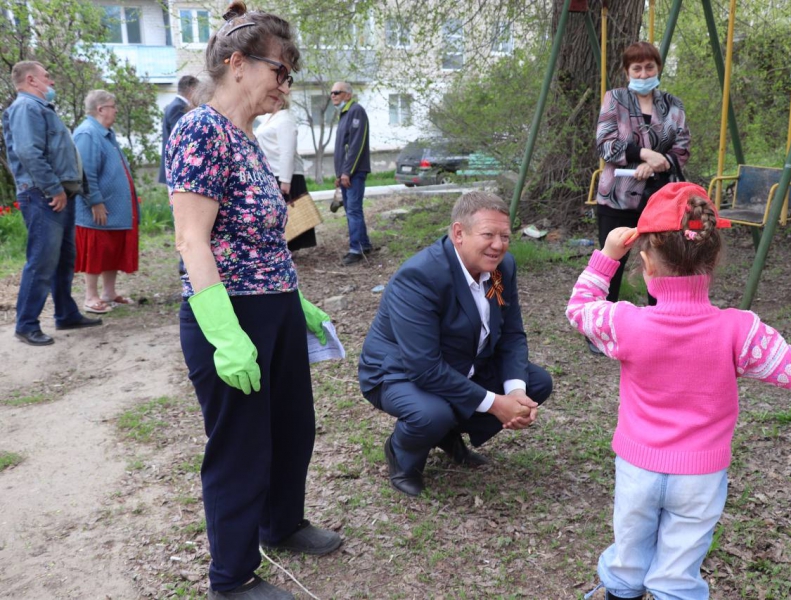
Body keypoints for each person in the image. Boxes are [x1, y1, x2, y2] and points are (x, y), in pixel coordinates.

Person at [565, 182, 791, 600]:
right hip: (700, 478)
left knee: (629, 554)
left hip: (637, 469)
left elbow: (579, 308)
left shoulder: (625, 323)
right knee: (677, 573)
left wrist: (607, 256)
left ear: (647, 263)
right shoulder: (739, 329)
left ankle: (619, 591)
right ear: (714, 259)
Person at [166, 3, 341, 598]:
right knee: (240, 447)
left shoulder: (245, 139)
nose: (285, 87)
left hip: (275, 307)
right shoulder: (200, 130)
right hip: (230, 314)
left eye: (290, 76)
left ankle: (281, 523)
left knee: (293, 427)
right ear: (237, 63)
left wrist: (297, 301)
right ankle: (232, 577)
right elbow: (192, 240)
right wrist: (225, 333)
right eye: (280, 72)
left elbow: (263, 238)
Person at [358, 191, 554, 497]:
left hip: (460, 364)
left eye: (505, 236)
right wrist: (496, 404)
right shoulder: (419, 277)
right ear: (458, 233)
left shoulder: (502, 267)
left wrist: (515, 393)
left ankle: (446, 433)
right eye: (488, 235)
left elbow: (512, 335)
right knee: (432, 414)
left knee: (536, 382)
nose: (499, 245)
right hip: (399, 372)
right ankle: (401, 452)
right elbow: (423, 367)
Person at [3, 60, 102, 346]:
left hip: (58, 194)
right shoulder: (26, 107)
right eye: (46, 76)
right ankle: (26, 325)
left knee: (63, 259)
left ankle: (65, 314)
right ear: (31, 80)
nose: (52, 81)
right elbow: (28, 152)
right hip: (43, 195)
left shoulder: (41, 108)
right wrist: (53, 188)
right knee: (42, 260)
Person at [593, 42, 690, 321]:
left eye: (649, 67)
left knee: (662, 263)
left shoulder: (673, 104)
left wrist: (658, 163)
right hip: (618, 197)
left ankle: (661, 321)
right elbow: (605, 144)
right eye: (637, 68)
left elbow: (682, 148)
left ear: (658, 68)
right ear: (627, 71)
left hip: (661, 198)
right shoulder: (615, 99)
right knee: (612, 262)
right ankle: (601, 323)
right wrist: (644, 154)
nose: (644, 74)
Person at [73, 90, 139, 314]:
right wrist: (95, 201)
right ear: (101, 109)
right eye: (113, 106)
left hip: (114, 208)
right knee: (96, 251)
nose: (116, 110)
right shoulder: (88, 133)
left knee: (112, 249)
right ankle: (90, 297)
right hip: (97, 209)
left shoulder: (105, 133)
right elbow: (84, 172)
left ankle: (109, 293)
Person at [255, 94, 315, 249]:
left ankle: (290, 251)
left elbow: (287, 152)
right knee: (277, 216)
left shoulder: (285, 119)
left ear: (280, 101)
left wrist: (285, 180)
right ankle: (281, 250)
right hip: (271, 173)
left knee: (291, 217)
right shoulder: (269, 118)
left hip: (286, 175)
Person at [330, 80, 372, 265]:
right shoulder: (345, 113)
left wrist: (347, 172)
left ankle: (356, 250)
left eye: (337, 92)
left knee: (353, 210)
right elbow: (344, 148)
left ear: (348, 94)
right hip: (347, 173)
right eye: (331, 93)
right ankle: (364, 244)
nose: (333, 95)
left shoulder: (356, 111)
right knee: (352, 210)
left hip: (354, 172)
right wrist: (339, 175)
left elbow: (357, 144)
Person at [157, 75, 198, 185]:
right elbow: (182, 138)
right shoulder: (178, 107)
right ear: (192, 89)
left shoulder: (175, 105)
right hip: (177, 169)